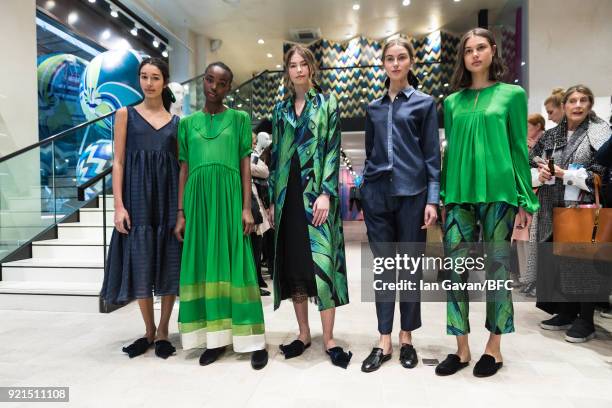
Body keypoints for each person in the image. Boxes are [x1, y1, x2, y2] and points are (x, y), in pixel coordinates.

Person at [436, 28, 539, 378]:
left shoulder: (512, 95)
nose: (475, 54)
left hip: (499, 192)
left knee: (497, 272)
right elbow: (449, 151)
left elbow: (518, 148)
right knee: (454, 272)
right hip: (459, 194)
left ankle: (493, 348)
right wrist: (444, 196)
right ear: (463, 57)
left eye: (481, 47)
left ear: (493, 51)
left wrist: (525, 197)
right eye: (469, 50)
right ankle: (461, 348)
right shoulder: (452, 102)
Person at [174, 62, 268, 370]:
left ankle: (252, 338)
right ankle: (214, 339)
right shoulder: (186, 124)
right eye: (210, 80)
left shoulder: (240, 119)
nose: (214, 86)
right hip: (198, 203)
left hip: (229, 199)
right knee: (204, 265)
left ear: (229, 87)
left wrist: (246, 207)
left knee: (239, 265)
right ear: (203, 81)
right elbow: (184, 170)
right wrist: (181, 212)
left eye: (222, 82)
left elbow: (244, 167)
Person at [268, 44, 352, 369]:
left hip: (316, 197)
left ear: (312, 68)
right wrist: (275, 200)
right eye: (293, 65)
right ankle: (304, 333)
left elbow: (332, 148)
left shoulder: (327, 103)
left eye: (304, 64)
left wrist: (327, 192)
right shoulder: (280, 110)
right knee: (295, 267)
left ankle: (329, 338)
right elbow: (276, 156)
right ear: (287, 71)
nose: (299, 69)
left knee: (322, 264)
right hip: (288, 198)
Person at [359, 38, 440, 373]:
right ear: (383, 64)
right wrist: (365, 188)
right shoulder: (373, 108)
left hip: (412, 195)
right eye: (389, 59)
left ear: (411, 61)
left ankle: (406, 337)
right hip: (378, 196)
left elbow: (432, 157)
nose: (395, 63)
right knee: (384, 270)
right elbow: (369, 153)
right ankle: (384, 339)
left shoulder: (424, 104)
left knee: (408, 269)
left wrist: (432, 199)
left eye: (401, 57)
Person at [101, 57, 181, 359]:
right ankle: (148, 330)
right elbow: (118, 162)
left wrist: (180, 211)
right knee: (142, 261)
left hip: (168, 197)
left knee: (169, 260)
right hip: (137, 198)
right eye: (144, 77)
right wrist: (118, 204)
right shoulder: (125, 115)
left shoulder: (176, 123)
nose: (149, 83)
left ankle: (163, 331)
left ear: (165, 82)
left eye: (155, 77)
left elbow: (180, 166)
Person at [531, 85, 609, 343]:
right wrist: (541, 173)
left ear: (590, 104)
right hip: (552, 204)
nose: (577, 105)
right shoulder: (552, 135)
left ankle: (585, 319)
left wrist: (567, 175)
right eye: (572, 100)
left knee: (583, 260)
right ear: (564, 105)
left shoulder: (599, 132)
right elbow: (532, 160)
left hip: (583, 205)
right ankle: (565, 310)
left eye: (583, 100)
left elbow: (603, 173)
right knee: (556, 258)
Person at [251, 132, 272, 296]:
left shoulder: (254, 155)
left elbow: (264, 171)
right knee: (254, 247)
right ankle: (254, 282)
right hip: (250, 205)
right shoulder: (247, 155)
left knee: (258, 245)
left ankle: (257, 280)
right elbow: (263, 171)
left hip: (257, 204)